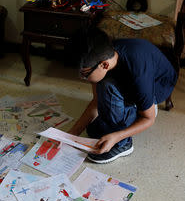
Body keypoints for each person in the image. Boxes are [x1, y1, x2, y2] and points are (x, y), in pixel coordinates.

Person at [68, 28, 177, 163]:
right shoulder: (104, 54)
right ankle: (121, 115)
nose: (82, 78)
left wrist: (116, 137)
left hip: (158, 85)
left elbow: (148, 119)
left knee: (106, 86)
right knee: (102, 92)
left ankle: (124, 144)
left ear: (104, 65)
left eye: (84, 74)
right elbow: (96, 101)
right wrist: (73, 133)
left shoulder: (138, 75)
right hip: (135, 79)